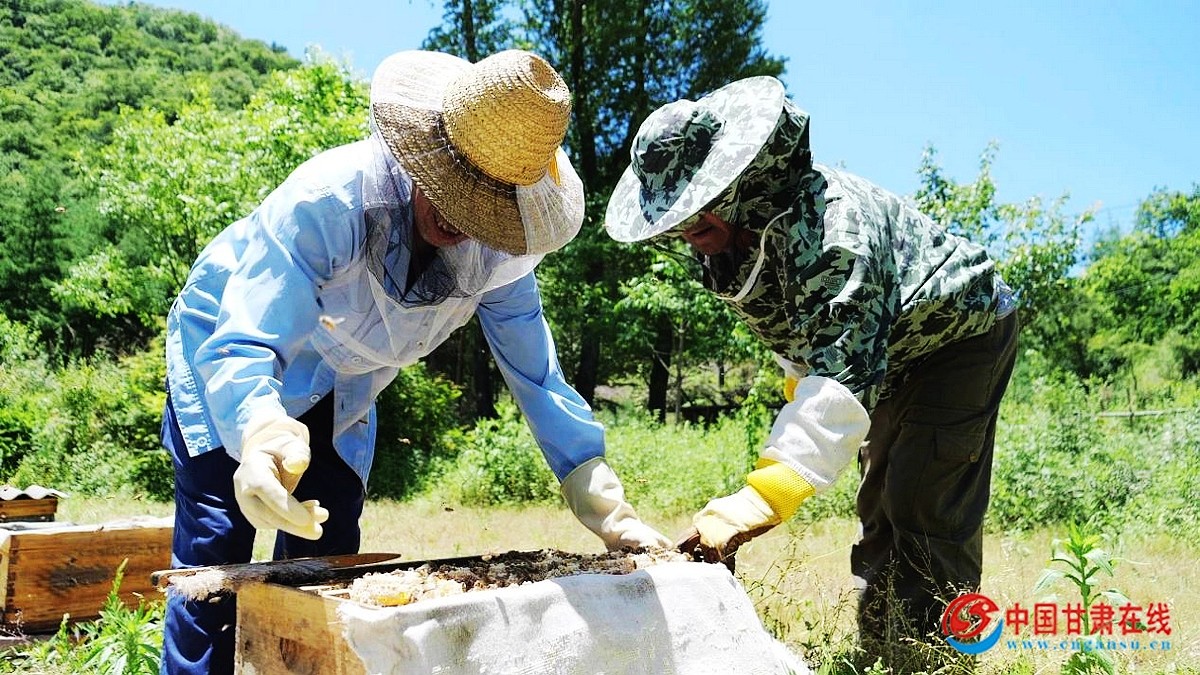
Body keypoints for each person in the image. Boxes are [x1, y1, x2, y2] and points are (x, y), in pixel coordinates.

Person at [160, 49, 670, 674]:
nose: (460, 216)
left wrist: (603, 503)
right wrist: (259, 430)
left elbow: (538, 379)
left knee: (327, 558)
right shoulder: (328, 201)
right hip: (230, 358)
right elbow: (249, 333)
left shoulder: (503, 262)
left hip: (343, 390)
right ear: (424, 151)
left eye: (486, 204)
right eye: (454, 187)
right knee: (215, 555)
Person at [604, 76, 1019, 667]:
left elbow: (842, 375)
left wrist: (757, 502)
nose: (690, 221)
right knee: (879, 505)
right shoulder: (733, 244)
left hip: (958, 336)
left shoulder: (833, 229)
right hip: (887, 356)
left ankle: (936, 659)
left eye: (701, 197)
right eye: (679, 208)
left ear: (739, 174)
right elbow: (802, 345)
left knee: (922, 499)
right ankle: (883, 652)